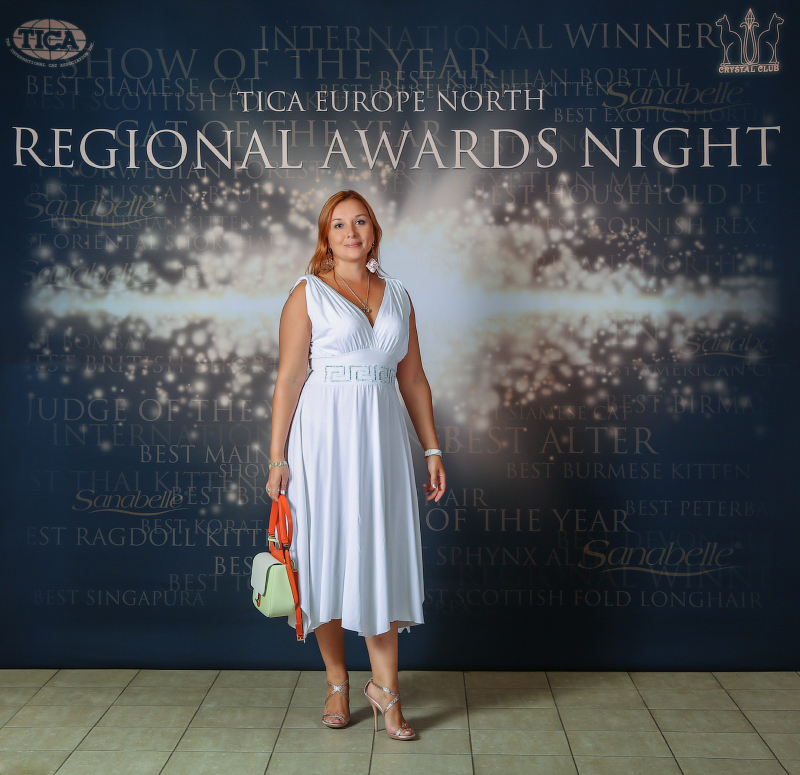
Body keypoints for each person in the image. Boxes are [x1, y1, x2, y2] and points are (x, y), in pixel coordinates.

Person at [266, 190, 445, 741]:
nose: (351, 232)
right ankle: (337, 682)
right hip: (321, 440)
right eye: (339, 224)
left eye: (360, 221)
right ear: (327, 236)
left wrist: (432, 449)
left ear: (374, 232)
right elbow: (289, 378)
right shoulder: (307, 293)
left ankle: (386, 691)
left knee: (379, 555)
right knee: (324, 555)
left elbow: (413, 379)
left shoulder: (400, 295)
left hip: (382, 440)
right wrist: (277, 457)